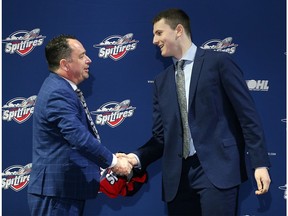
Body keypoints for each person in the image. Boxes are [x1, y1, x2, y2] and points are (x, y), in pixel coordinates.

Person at [118, 8, 271, 216]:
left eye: (159, 33)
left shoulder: (219, 63)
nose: (154, 40)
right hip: (177, 179)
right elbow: (161, 138)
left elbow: (248, 117)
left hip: (217, 171)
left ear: (178, 30)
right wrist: (135, 158)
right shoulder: (161, 82)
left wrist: (259, 163)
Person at [27, 34, 132, 216]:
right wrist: (114, 162)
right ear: (65, 64)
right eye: (82, 56)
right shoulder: (58, 92)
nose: (89, 60)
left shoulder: (60, 88)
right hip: (56, 194)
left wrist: (110, 158)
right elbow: (78, 137)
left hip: (63, 191)